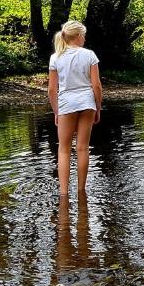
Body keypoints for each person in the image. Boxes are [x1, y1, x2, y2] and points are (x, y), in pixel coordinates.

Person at [48, 20, 102, 197]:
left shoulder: (56, 57)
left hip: (66, 104)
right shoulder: (90, 55)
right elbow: (97, 86)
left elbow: (51, 90)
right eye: (84, 35)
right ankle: (81, 191)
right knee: (82, 148)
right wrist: (98, 107)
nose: (85, 38)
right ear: (78, 36)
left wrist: (56, 111)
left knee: (63, 148)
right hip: (87, 103)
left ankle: (63, 193)